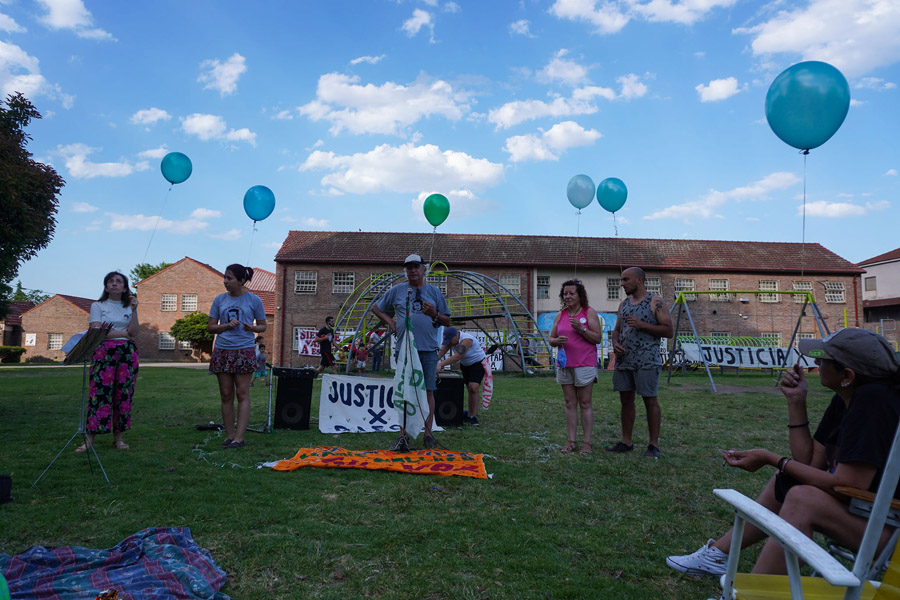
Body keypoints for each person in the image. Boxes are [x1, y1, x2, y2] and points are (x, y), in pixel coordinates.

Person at [666, 328, 900, 576]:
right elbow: (808, 463)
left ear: (847, 375)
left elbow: (847, 484)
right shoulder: (847, 398)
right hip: (873, 517)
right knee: (787, 480)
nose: (817, 362)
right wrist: (796, 401)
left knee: (803, 500)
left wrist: (772, 458)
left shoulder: (874, 403)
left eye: (825, 358)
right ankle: (719, 555)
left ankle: (753, 591)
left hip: (892, 531)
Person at [372, 254, 451, 450]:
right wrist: (391, 322)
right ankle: (403, 436)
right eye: (409, 268)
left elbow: (447, 320)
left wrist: (434, 314)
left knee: (429, 391)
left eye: (416, 267)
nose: (412, 271)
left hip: (429, 349)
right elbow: (376, 307)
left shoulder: (434, 292)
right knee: (404, 390)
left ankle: (428, 434)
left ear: (424, 270)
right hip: (405, 350)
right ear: (405, 271)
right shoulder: (397, 290)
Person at [607, 266, 674, 458]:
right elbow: (617, 330)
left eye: (625, 280)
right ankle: (626, 441)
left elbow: (668, 331)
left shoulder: (655, 301)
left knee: (649, 400)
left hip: (647, 360)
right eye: (621, 280)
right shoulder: (624, 304)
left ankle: (653, 445)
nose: (622, 284)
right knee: (626, 400)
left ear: (638, 280)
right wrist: (615, 343)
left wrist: (643, 325)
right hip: (624, 360)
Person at [76, 272, 140, 452]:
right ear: (105, 287)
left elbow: (134, 332)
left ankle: (119, 439)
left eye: (118, 281)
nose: (114, 284)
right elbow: (97, 331)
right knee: (99, 394)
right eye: (110, 281)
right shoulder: (98, 306)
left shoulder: (129, 307)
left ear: (125, 287)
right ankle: (89, 439)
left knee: (123, 395)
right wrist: (124, 333)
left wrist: (134, 311)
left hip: (127, 353)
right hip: (103, 352)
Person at [207, 264, 266, 449]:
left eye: (229, 278)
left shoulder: (254, 300)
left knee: (242, 392)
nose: (225, 281)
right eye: (225, 277)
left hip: (244, 350)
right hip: (223, 350)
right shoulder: (219, 300)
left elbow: (263, 326)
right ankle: (229, 435)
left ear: (241, 281)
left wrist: (252, 328)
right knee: (226, 394)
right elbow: (211, 327)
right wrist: (226, 326)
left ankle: (239, 438)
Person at [548, 279, 603, 455]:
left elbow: (597, 338)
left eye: (572, 293)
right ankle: (571, 441)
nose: (568, 296)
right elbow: (551, 338)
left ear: (580, 295)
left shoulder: (589, 312)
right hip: (565, 364)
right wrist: (555, 341)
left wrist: (582, 329)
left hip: (585, 364)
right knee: (570, 403)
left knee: (585, 403)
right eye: (565, 293)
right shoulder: (561, 315)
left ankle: (587, 443)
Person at [437, 326, 487, 426]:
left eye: (450, 340)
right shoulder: (450, 340)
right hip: (465, 365)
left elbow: (457, 357)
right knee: (469, 389)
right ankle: (469, 413)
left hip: (478, 363)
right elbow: (440, 353)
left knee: (474, 388)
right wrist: (432, 363)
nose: (449, 343)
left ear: (456, 335)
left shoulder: (466, 340)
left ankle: (473, 416)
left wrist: (441, 364)